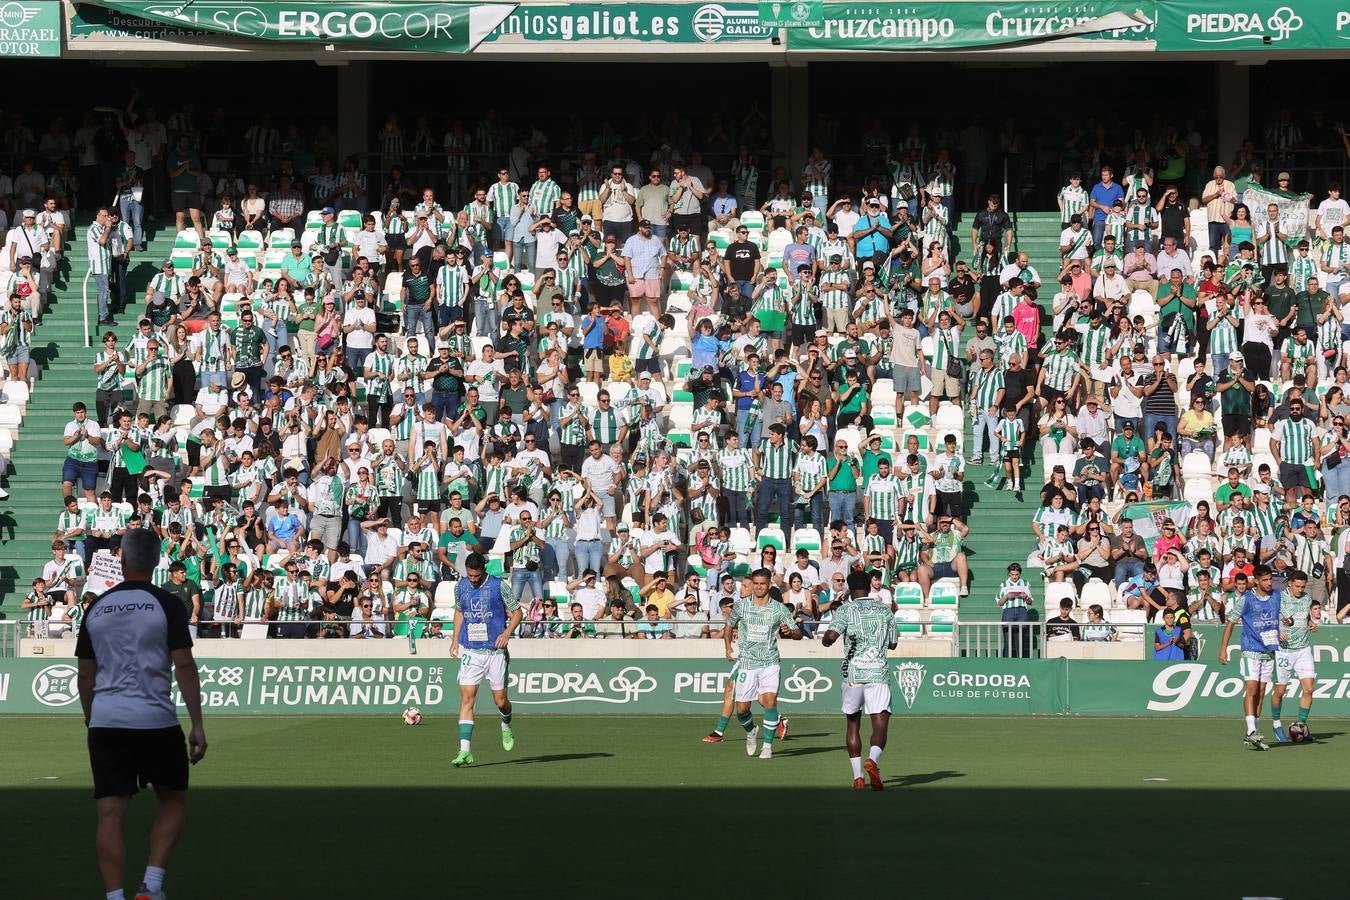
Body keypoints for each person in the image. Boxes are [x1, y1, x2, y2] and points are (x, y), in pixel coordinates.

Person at [75, 529, 206, 900]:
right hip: (156, 721)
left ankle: (115, 897)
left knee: (110, 815)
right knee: (173, 800)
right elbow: (184, 666)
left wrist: (91, 719)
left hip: (107, 721)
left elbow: (85, 676)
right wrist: (196, 724)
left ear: (122, 559)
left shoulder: (96, 607)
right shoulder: (168, 604)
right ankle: (151, 885)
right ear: (157, 561)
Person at [821, 570, 898, 791]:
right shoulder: (885, 611)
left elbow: (829, 638)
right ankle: (872, 760)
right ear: (870, 586)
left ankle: (857, 778)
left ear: (850, 589)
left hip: (853, 673)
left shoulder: (846, 610)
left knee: (853, 723)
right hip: (878, 673)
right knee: (880, 722)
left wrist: (830, 640)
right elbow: (893, 644)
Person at [448, 552, 523, 768]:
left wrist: (507, 633)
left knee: (500, 701)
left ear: (484, 570)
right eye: (470, 575)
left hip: (495, 651)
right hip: (471, 651)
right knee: (467, 699)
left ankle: (506, 723)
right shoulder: (460, 586)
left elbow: (517, 612)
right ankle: (465, 751)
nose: (473, 579)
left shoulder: (499, 586)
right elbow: (460, 612)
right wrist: (454, 640)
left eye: (476, 576)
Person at [724, 568, 802, 760]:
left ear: (769, 585)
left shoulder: (779, 609)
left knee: (769, 701)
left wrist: (791, 632)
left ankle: (767, 746)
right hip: (747, 662)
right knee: (742, 709)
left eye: (762, 584)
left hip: (770, 662)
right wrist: (727, 647)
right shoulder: (741, 606)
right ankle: (751, 731)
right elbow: (728, 627)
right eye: (756, 584)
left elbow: (797, 633)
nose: (759, 587)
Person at [1218, 564, 1282, 751]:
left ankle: (1254, 732)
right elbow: (1230, 622)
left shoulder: (1276, 596)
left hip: (1269, 650)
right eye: (1265, 580)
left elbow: (1285, 616)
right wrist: (1224, 648)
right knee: (1252, 688)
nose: (1269, 583)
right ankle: (1251, 730)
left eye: (1270, 579)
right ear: (1256, 581)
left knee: (1261, 692)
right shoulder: (1246, 599)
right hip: (1250, 649)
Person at [1270, 572, 1318, 743]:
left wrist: (1310, 623)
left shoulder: (1306, 599)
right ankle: (1276, 724)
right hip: (1283, 651)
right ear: (1289, 583)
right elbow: (1268, 619)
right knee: (1280, 691)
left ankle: (1300, 726)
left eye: (1303, 586)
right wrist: (1278, 631)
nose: (1300, 589)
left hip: (1303, 650)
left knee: (1309, 690)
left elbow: (1304, 618)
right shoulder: (1278, 598)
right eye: (1297, 586)